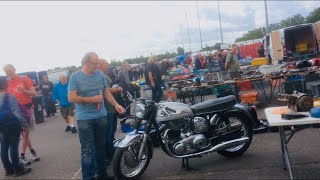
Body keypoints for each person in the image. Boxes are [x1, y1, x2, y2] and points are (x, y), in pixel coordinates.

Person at [68, 52, 125, 180]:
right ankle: (88, 177)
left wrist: (116, 105)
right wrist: (91, 99)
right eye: (96, 63)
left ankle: (102, 175)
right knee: (88, 151)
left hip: (101, 116)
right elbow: (71, 97)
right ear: (86, 62)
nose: (98, 65)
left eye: (99, 62)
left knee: (101, 148)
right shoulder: (75, 77)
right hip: (84, 119)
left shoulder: (99, 74)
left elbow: (106, 92)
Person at [3, 64, 40, 166]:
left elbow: (34, 94)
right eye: (6, 72)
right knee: (25, 132)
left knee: (25, 132)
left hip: (27, 109)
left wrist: (24, 91)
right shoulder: (6, 83)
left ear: (14, 69)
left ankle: (30, 152)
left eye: (10, 70)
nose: (9, 73)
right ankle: (23, 155)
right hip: (15, 111)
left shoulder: (24, 79)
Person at [0, 77, 32, 177]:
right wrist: (25, 125)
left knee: (4, 147)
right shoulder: (9, 96)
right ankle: (18, 169)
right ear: (5, 85)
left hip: (1, 126)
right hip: (12, 124)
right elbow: (16, 113)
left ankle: (8, 169)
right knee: (13, 147)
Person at [98, 59, 123, 163]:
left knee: (111, 131)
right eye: (106, 64)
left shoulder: (104, 75)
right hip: (107, 108)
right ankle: (109, 154)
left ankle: (111, 151)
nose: (108, 66)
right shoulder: (100, 76)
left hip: (111, 107)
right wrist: (117, 89)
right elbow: (106, 91)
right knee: (108, 133)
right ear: (101, 65)